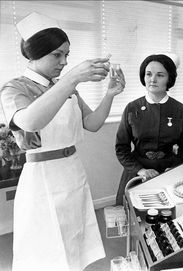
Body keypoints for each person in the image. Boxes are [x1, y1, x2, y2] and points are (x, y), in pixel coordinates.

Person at [0, 12, 125, 271]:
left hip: (72, 172)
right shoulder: (15, 88)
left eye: (67, 55)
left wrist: (110, 94)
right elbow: (29, 122)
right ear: (34, 54)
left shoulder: (65, 86)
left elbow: (92, 123)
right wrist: (72, 79)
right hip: (42, 179)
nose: (64, 62)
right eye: (57, 55)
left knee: (73, 242)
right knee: (47, 249)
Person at [115, 53, 183, 205]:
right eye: (149, 74)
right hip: (137, 173)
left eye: (160, 75)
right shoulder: (132, 108)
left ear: (169, 79)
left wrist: (174, 167)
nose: (153, 79)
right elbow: (121, 148)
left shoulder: (179, 109)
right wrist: (141, 171)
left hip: (169, 172)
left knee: (167, 218)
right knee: (133, 217)